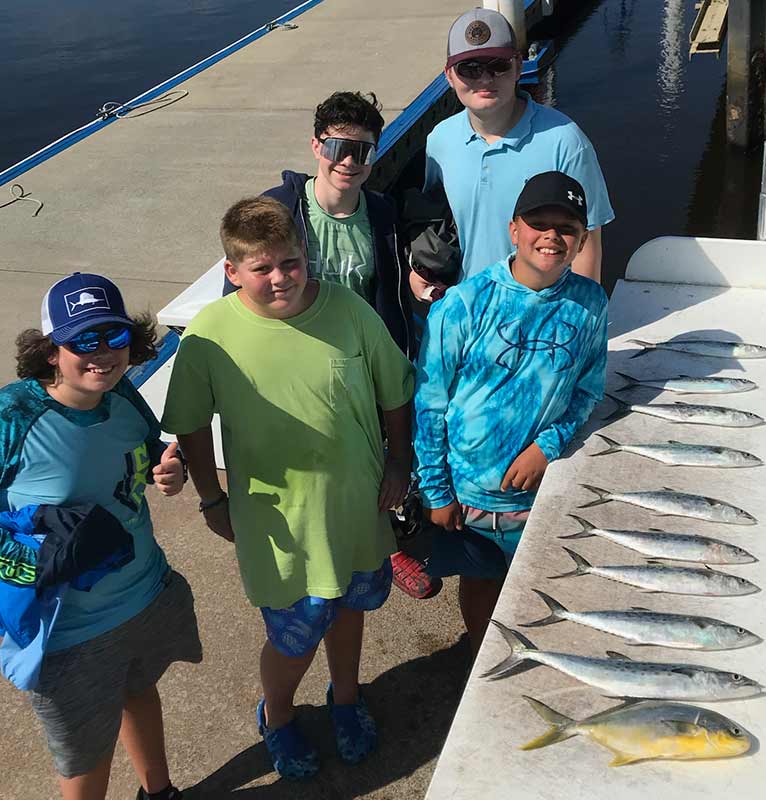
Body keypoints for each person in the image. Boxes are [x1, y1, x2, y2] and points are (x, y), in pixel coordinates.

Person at [162, 197, 414, 779]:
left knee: (349, 609)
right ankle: (277, 715)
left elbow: (395, 391)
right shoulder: (208, 336)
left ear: (307, 255)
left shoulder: (349, 310)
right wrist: (211, 498)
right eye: (262, 268)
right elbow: (192, 425)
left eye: (292, 262)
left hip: (356, 508)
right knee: (295, 631)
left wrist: (399, 463)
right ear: (232, 272)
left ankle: (345, 698)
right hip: (278, 525)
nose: (282, 278)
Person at [223, 90, 438, 601]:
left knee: (376, 470)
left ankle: (388, 546)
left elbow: (389, 288)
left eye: (362, 151)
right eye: (338, 147)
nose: (349, 161)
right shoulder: (278, 211)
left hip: (361, 371)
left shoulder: (383, 213)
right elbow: (238, 299)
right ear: (316, 146)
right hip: (294, 373)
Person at [0, 273, 201, 800]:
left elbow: (149, 450)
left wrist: (167, 469)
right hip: (67, 634)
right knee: (86, 759)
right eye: (83, 340)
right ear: (50, 350)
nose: (103, 355)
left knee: (139, 692)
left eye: (114, 337)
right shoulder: (13, 416)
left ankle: (160, 792)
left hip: (142, 595)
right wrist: (34, 565)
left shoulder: (124, 394)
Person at [413, 172, 608, 657]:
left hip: (538, 496)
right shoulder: (462, 304)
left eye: (566, 228)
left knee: (539, 586)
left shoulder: (590, 303)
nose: (552, 237)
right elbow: (430, 404)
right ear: (513, 229)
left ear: (583, 239)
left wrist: (548, 445)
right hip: (468, 497)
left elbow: (588, 390)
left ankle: (532, 652)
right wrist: (437, 492)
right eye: (539, 223)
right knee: (479, 585)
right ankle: (485, 658)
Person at [411, 6, 614, 300]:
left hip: (540, 317)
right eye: (470, 68)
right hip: (467, 311)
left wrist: (578, 320)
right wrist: (420, 270)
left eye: (498, 65)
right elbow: (436, 218)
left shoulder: (565, 141)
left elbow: (587, 241)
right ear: (449, 76)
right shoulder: (440, 140)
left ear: (519, 67)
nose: (485, 78)